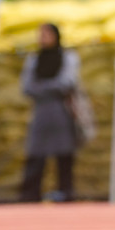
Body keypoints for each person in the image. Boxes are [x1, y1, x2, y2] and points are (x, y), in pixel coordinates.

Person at [20, 22, 80, 202]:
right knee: (36, 153)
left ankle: (66, 190)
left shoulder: (67, 57)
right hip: (41, 111)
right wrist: (48, 88)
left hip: (61, 110)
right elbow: (27, 86)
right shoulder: (34, 59)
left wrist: (44, 88)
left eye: (46, 34)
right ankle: (30, 192)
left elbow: (67, 82)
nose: (42, 38)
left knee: (64, 153)